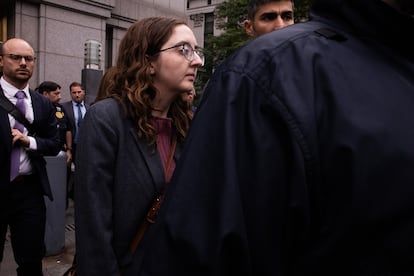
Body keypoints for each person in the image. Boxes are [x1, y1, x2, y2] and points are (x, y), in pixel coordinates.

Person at [137, 0, 414, 275]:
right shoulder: (252, 80)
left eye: (288, 16)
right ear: (248, 26)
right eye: (269, 17)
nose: (280, 25)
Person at [74, 16, 204, 275]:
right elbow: (94, 228)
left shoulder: (188, 124)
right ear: (148, 61)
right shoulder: (107, 119)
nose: (197, 61)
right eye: (184, 50)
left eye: (197, 51)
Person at [0, 38, 60, 275]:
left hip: (29, 191)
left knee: (31, 259)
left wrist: (30, 142)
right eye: (16, 57)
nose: (23, 63)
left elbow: (54, 144)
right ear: (2, 60)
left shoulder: (42, 103)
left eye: (29, 59)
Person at [61, 81, 88, 199]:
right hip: (70, 145)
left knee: (83, 172)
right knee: (66, 173)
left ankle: (77, 195)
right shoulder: (64, 107)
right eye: (74, 93)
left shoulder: (89, 108)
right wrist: (67, 147)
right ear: (70, 94)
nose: (77, 95)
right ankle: (64, 198)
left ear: (84, 92)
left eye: (79, 92)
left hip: (85, 146)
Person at [36, 81, 73, 164]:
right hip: (42, 152)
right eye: (56, 94)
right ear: (45, 94)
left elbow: (67, 129)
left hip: (60, 151)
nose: (60, 97)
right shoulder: (35, 108)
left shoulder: (60, 108)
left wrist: (68, 150)